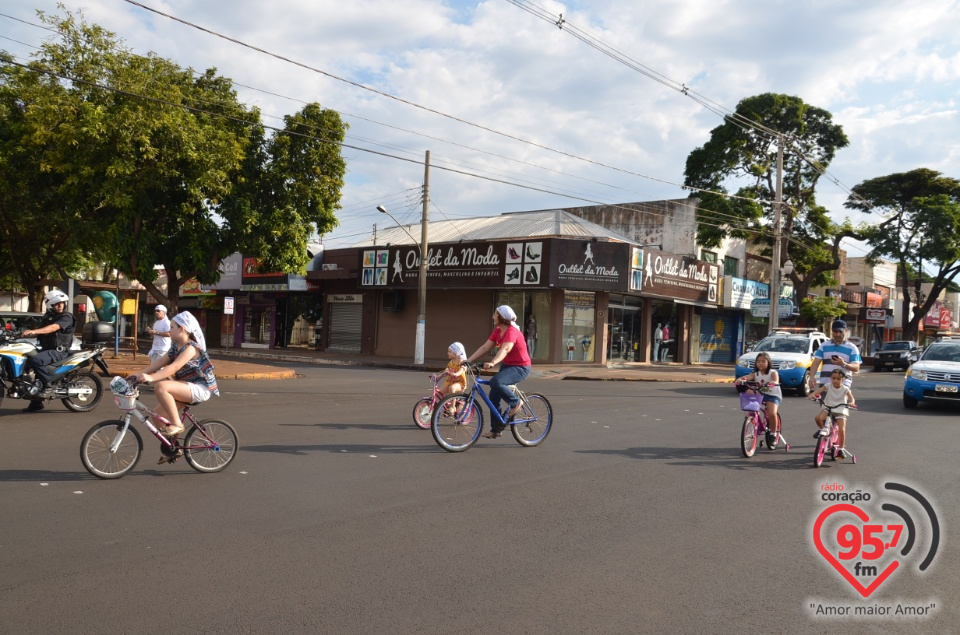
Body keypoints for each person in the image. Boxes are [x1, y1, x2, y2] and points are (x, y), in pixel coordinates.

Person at [128, 311, 219, 438]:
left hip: (199, 388)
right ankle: (172, 448)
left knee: (161, 386)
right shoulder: (176, 346)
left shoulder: (191, 348)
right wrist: (139, 374)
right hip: (185, 386)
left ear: (182, 328)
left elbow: (174, 367)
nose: (169, 330)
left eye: (172, 327)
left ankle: (177, 424)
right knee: (157, 417)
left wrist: (151, 377)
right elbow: (160, 362)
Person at [466, 305, 532, 439]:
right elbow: (485, 347)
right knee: (494, 396)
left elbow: (506, 349)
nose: (493, 316)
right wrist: (468, 360)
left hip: (521, 367)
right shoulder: (498, 331)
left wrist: (493, 362)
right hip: (507, 365)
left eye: (495, 314)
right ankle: (496, 429)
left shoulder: (512, 331)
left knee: (495, 382)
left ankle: (515, 402)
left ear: (502, 317)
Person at [21, 289, 76, 412]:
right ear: (50, 305)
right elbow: (40, 331)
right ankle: (36, 402)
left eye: (62, 303)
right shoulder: (48, 317)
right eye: (57, 303)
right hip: (47, 349)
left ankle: (48, 386)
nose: (60, 305)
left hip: (59, 351)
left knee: (37, 360)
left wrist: (34, 331)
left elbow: (53, 328)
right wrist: (23, 334)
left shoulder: (66, 317)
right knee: (28, 360)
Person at [810, 368, 857, 459]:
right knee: (819, 418)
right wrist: (813, 394)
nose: (835, 381)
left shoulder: (845, 389)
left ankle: (841, 448)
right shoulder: (828, 385)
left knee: (842, 430)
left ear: (843, 380)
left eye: (838, 379)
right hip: (828, 407)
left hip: (840, 409)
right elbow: (819, 390)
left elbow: (852, 398)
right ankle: (824, 430)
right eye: (833, 378)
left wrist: (851, 402)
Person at [734, 352, 782, 438]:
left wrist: (773, 382)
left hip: (773, 395)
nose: (760, 363)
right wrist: (740, 379)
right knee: (749, 390)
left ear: (768, 362)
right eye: (758, 361)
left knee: (772, 414)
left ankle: (773, 434)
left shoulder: (773, 372)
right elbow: (748, 377)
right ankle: (754, 412)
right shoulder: (755, 373)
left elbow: (776, 380)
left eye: (763, 361)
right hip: (761, 393)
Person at [808, 319, 862, 392]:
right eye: (835, 331)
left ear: (846, 331)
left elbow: (856, 368)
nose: (837, 334)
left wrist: (843, 364)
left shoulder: (852, 348)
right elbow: (816, 362)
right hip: (825, 385)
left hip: (842, 386)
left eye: (840, 331)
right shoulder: (824, 346)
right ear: (832, 331)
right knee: (825, 404)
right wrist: (812, 377)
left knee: (840, 404)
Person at [438, 342, 468, 412]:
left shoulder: (461, 362)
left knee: (452, 388)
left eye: (449, 352)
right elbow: (445, 372)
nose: (447, 353)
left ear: (456, 353)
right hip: (449, 382)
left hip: (460, 383)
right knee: (438, 393)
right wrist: (437, 377)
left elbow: (462, 369)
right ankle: (441, 407)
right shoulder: (451, 362)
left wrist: (456, 374)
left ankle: (452, 407)